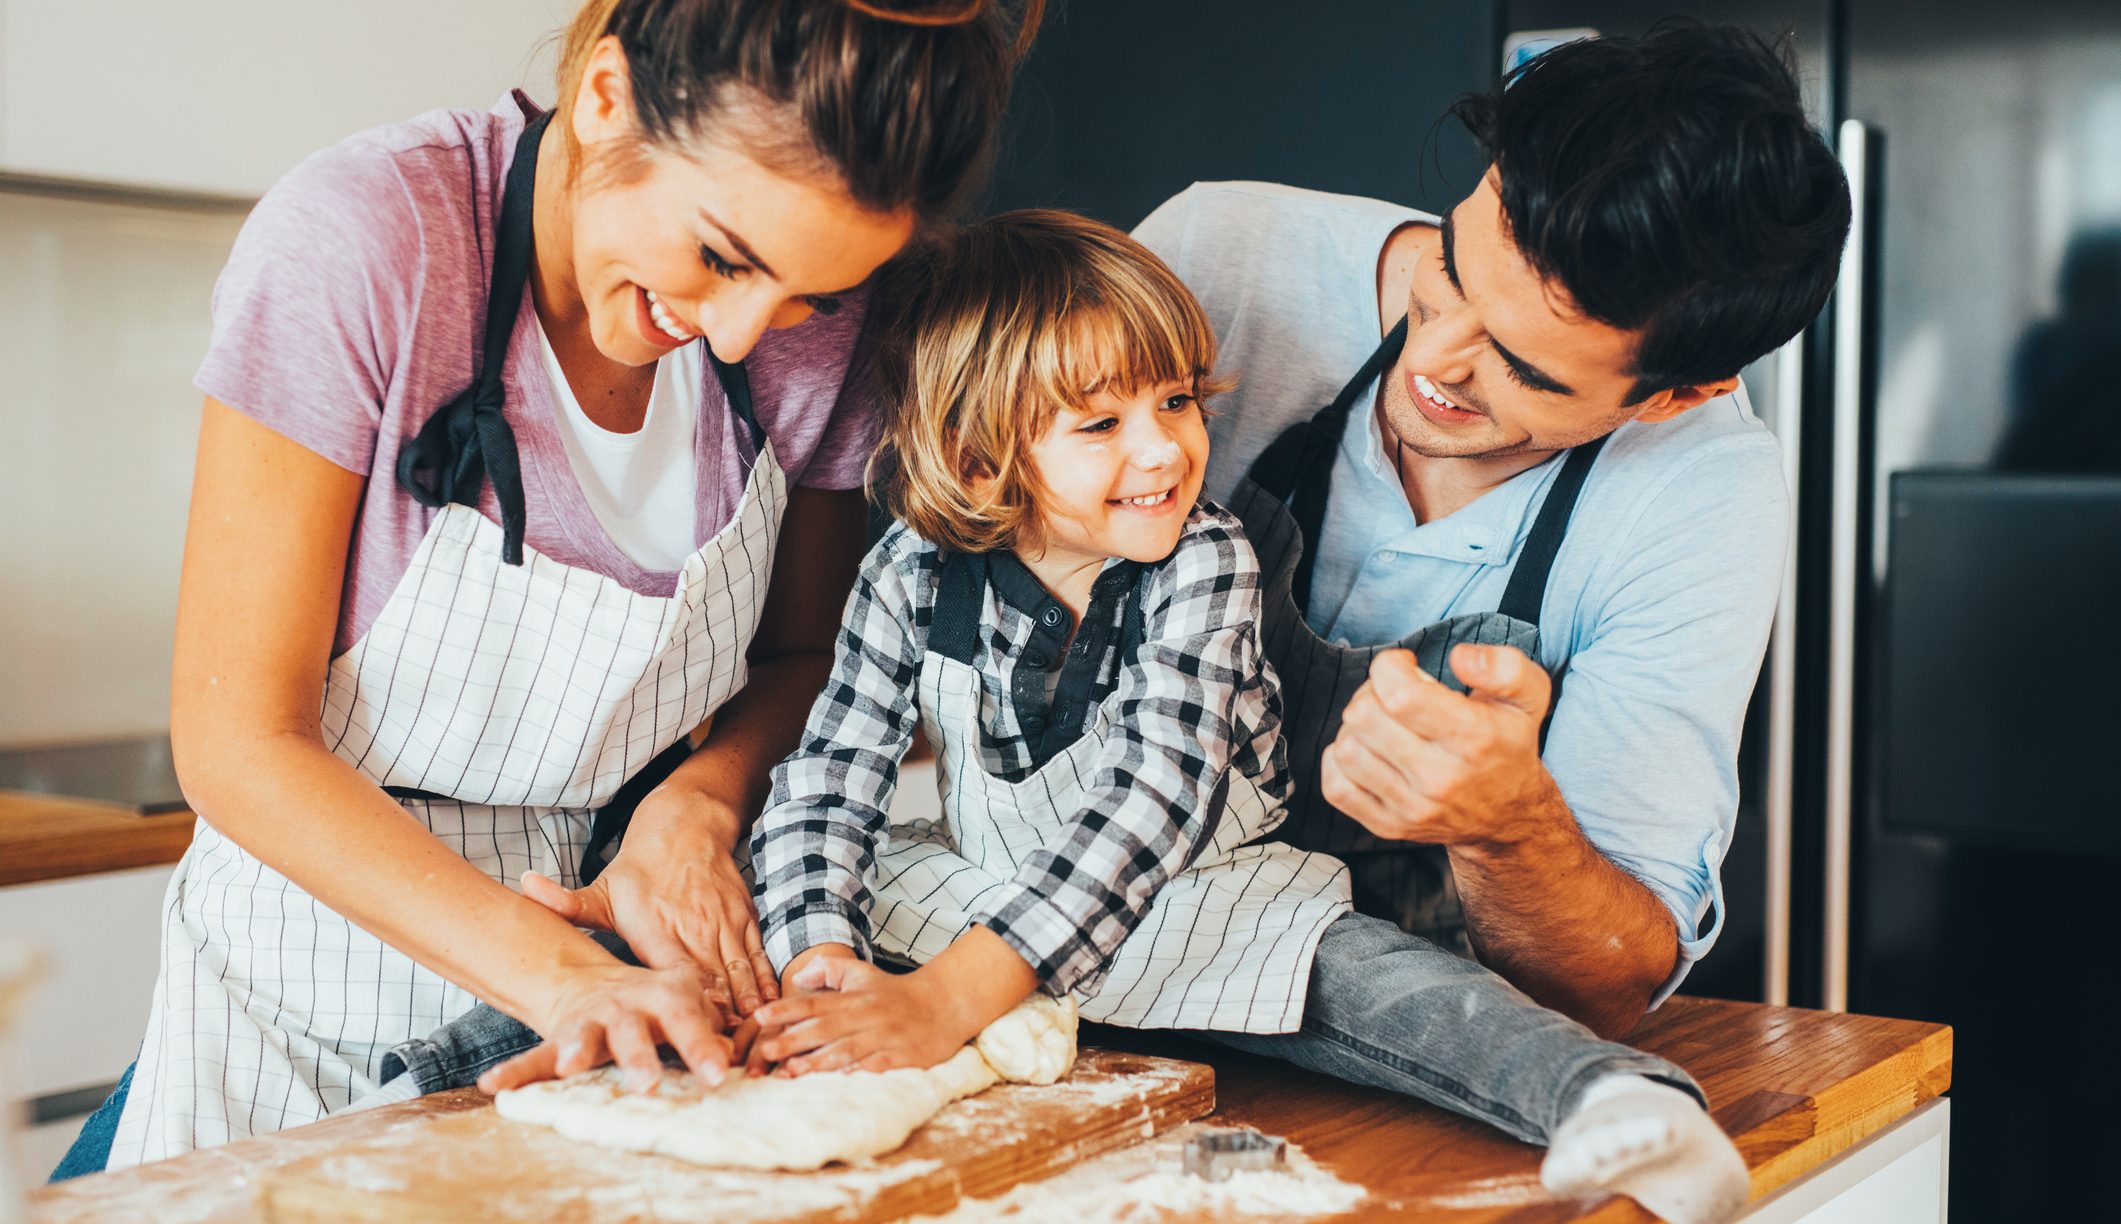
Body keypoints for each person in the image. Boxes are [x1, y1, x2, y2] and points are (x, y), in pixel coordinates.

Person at [60, 0, 1040, 1176]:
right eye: (723, 257)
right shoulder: (374, 242)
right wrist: (556, 972)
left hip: (593, 1022)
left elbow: (801, 661)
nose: (741, 335)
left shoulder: (809, 334)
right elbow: (236, 743)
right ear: (606, 97)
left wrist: (702, 800)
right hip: (293, 1017)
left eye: (804, 297)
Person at [715, 210, 1745, 1224]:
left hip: (1201, 899)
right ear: (980, 460)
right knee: (792, 899)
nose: (1163, 450)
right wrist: (823, 961)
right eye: (1102, 424)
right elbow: (831, 771)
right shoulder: (908, 571)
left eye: (1176, 401)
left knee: (1394, 990)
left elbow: (1154, 799)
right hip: (992, 889)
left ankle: (1620, 1104)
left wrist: (946, 1001)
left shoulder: (1203, 560)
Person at [1129, 22, 1850, 1040]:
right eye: (1457, 269)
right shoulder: (1221, 264)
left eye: (1526, 367)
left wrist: (1507, 827)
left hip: (1409, 1054)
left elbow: (1607, 985)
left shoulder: (1700, 496)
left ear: (1676, 395)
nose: (1436, 356)